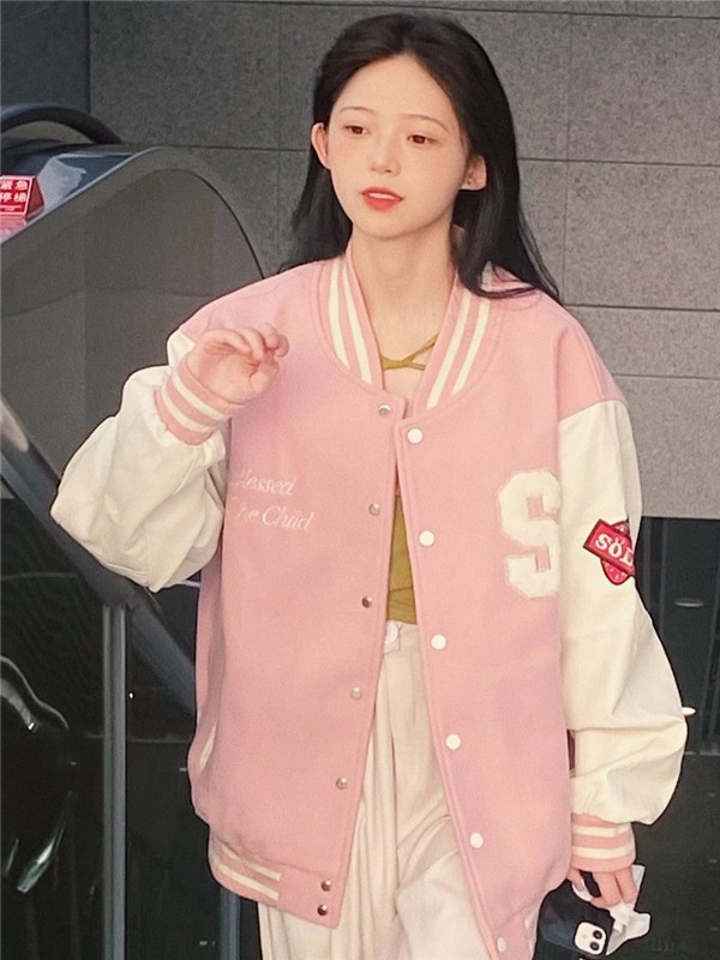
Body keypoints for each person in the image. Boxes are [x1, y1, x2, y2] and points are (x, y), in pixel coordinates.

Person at [51, 13, 687, 960]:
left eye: (421, 137)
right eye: (356, 129)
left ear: (475, 164)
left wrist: (605, 802)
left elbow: (600, 593)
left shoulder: (548, 352)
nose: (382, 158)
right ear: (322, 144)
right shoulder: (244, 331)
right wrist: (189, 406)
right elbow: (126, 538)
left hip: (491, 747)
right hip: (297, 746)